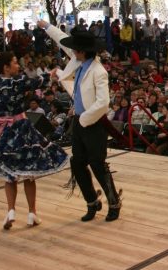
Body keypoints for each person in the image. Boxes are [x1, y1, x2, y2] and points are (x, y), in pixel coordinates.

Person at [0, 52, 68, 229]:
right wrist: (52, 72)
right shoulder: (17, 81)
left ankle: (11, 211)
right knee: (29, 174)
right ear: (6, 67)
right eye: (15, 63)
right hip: (21, 129)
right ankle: (32, 213)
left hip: (2, 131)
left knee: (10, 174)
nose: (19, 65)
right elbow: (38, 81)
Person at [40, 20, 122, 222]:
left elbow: (103, 103)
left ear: (83, 51)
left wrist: (84, 118)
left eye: (76, 48)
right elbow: (62, 41)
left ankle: (114, 202)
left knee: (97, 164)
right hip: (79, 121)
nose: (72, 50)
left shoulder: (98, 71)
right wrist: (47, 26)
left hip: (92, 123)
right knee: (77, 163)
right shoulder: (78, 61)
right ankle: (92, 201)